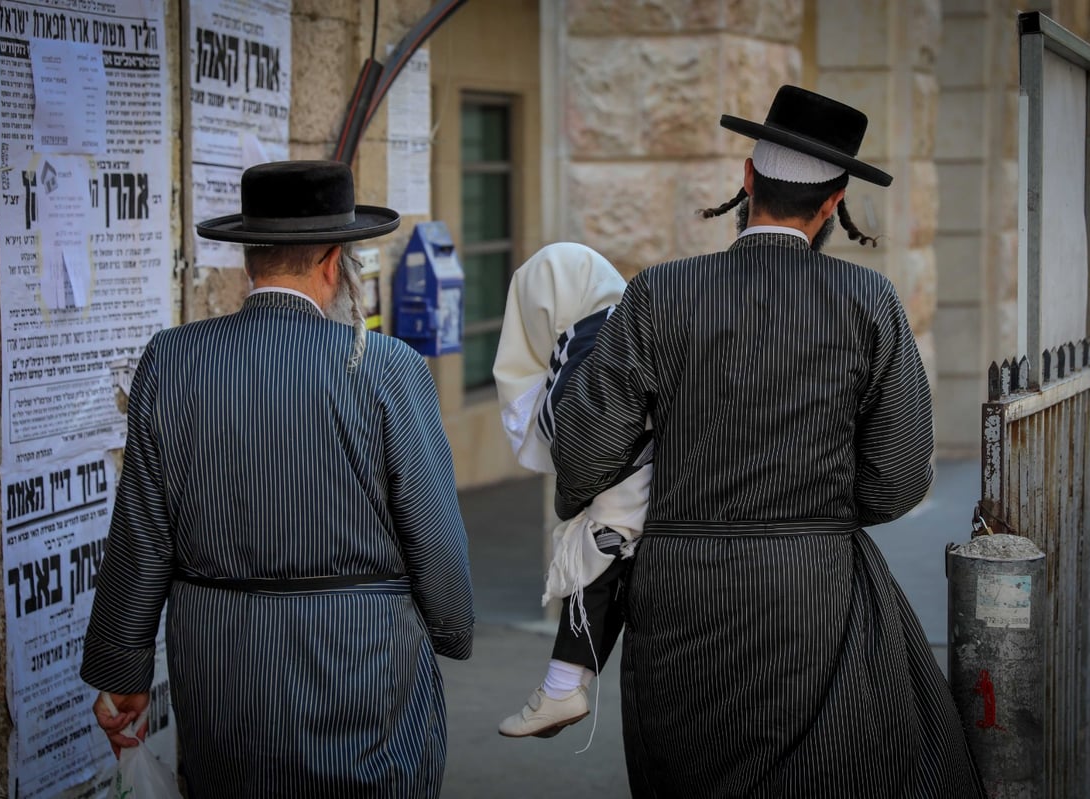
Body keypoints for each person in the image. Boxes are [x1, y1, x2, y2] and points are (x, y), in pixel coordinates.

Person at [550, 86, 986, 797]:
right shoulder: (869, 301)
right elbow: (900, 476)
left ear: (747, 181)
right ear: (833, 203)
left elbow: (586, 453)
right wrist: (815, 511)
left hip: (678, 587)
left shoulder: (660, 292)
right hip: (815, 588)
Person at [80, 160, 474, 798]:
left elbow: (141, 533)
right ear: (330, 264)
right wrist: (451, 628)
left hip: (223, 666)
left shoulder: (171, 361)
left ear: (249, 262)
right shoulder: (387, 367)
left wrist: (122, 670)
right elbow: (435, 533)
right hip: (364, 662)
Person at [491, 243, 652, 738]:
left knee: (596, 556)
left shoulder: (588, 336)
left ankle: (561, 688)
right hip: (676, 484)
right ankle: (561, 686)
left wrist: (573, 499)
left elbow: (573, 435)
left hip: (635, 486)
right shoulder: (636, 319)